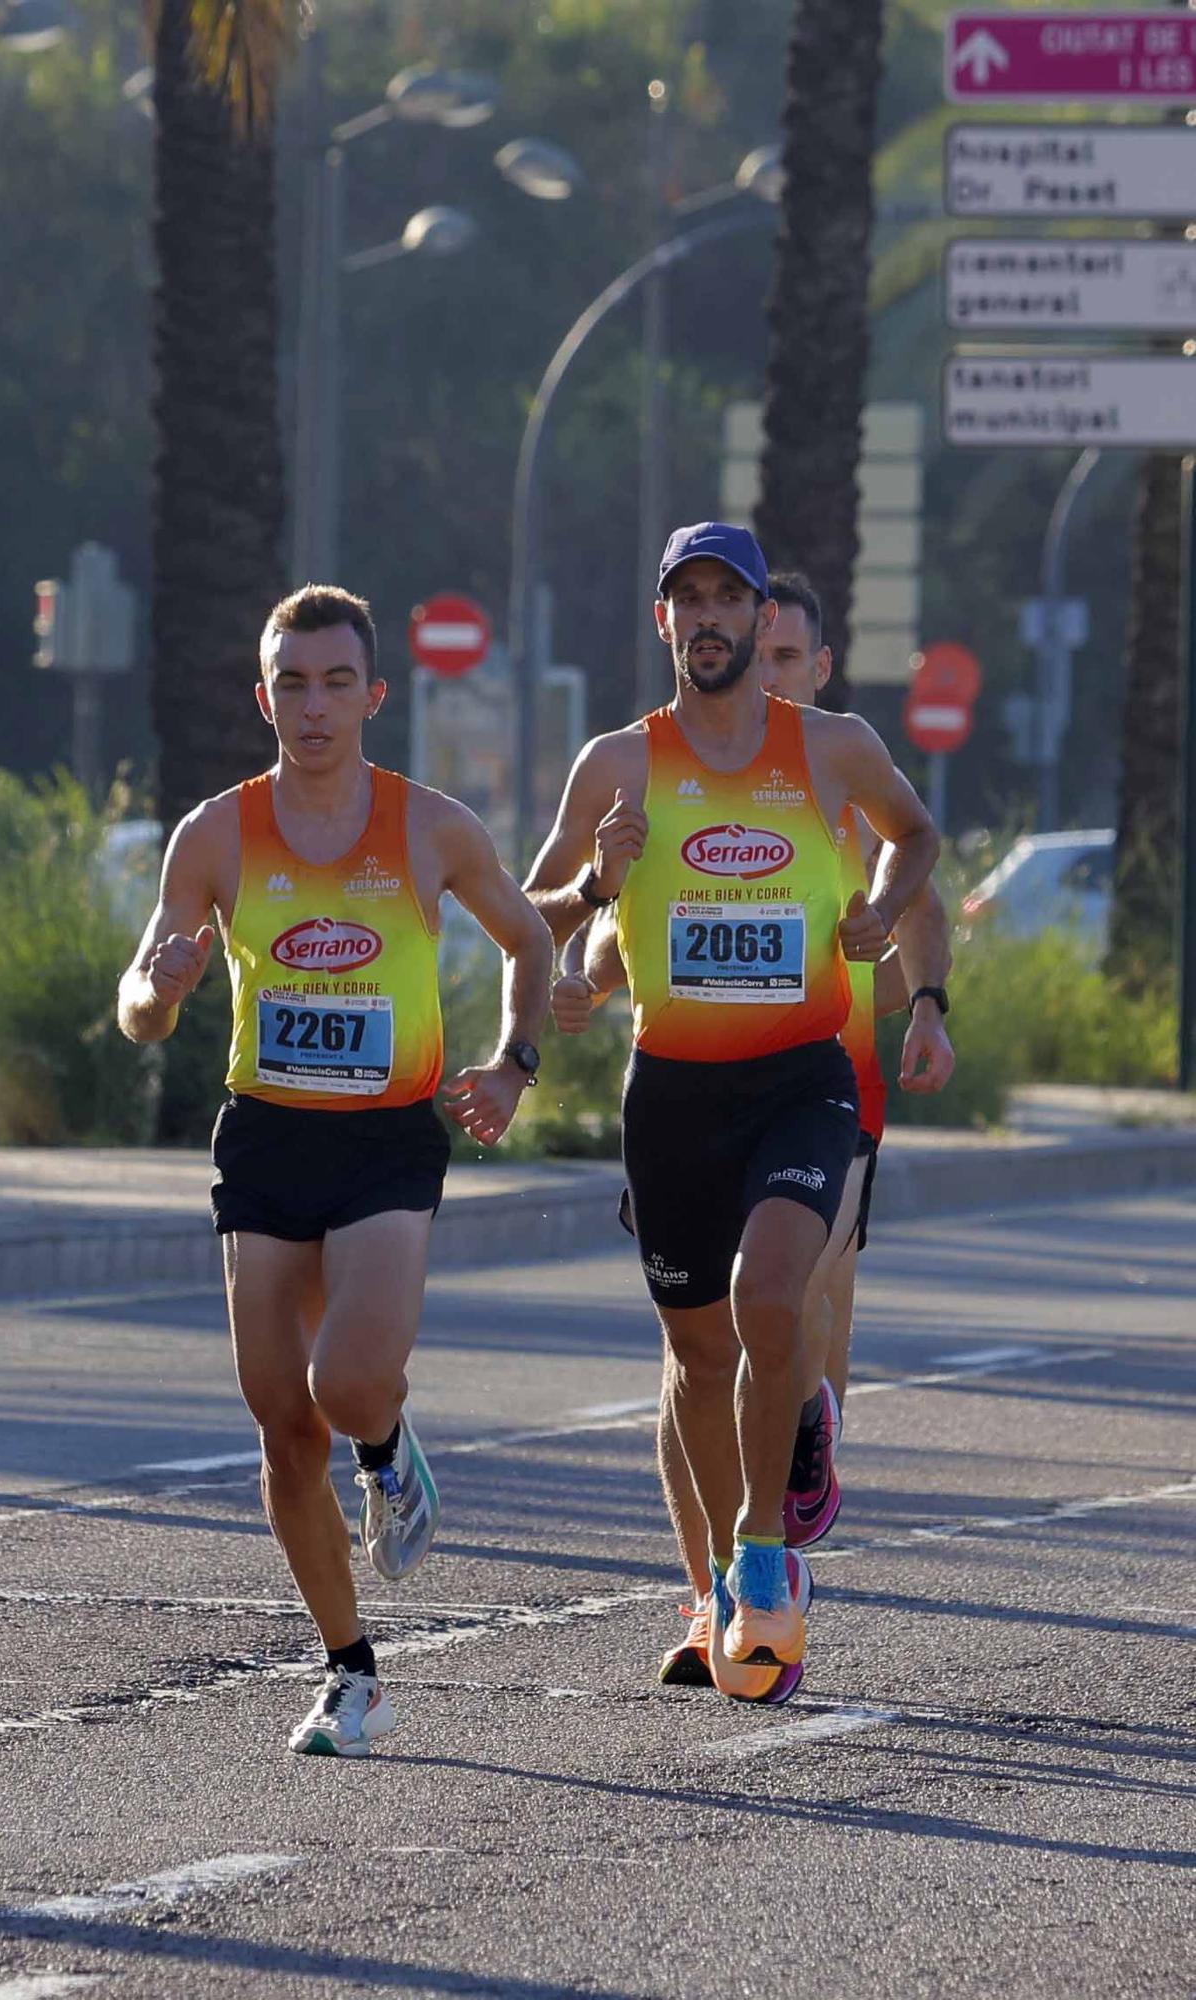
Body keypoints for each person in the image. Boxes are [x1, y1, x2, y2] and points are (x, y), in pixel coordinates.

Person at [118, 584, 551, 1757]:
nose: (313, 707)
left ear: (374, 694)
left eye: (335, 682)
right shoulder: (213, 833)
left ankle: (388, 1444)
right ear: (264, 697)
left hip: (384, 1136)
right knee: (278, 1424)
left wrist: (513, 1061)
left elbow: (530, 938)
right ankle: (350, 1669)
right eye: (292, 684)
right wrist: (159, 987)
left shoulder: (430, 826)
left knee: (348, 1380)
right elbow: (141, 1009)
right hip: (265, 1132)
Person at [525, 522, 939, 1704]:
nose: (707, 618)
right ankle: (711, 1577)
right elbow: (530, 914)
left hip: (802, 1076)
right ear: (663, 622)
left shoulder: (834, 746)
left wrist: (883, 909)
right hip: (673, 1092)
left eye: (728, 598)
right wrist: (598, 884)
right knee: (697, 1353)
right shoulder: (617, 763)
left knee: (769, 1297)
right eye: (686, 600)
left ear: (765, 621)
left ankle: (765, 1550)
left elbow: (916, 834)